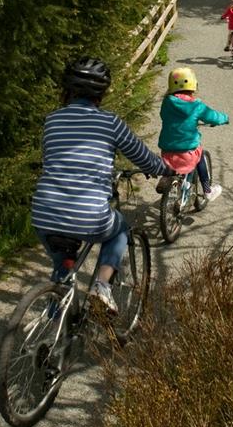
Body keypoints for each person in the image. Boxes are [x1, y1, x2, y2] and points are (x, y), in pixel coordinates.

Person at [31, 57, 174, 316]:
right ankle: (101, 286)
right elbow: (143, 157)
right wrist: (163, 168)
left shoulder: (51, 120)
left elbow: (53, 159)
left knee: (63, 267)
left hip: (43, 213)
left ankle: (55, 325)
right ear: (102, 92)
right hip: (88, 215)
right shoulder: (110, 122)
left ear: (68, 90)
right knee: (119, 229)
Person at [155, 67, 229, 202]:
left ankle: (168, 178)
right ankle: (207, 190)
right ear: (193, 85)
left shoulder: (167, 102)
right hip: (187, 151)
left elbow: (163, 116)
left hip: (167, 150)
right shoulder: (196, 105)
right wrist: (224, 118)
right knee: (199, 155)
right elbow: (212, 116)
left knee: (173, 163)